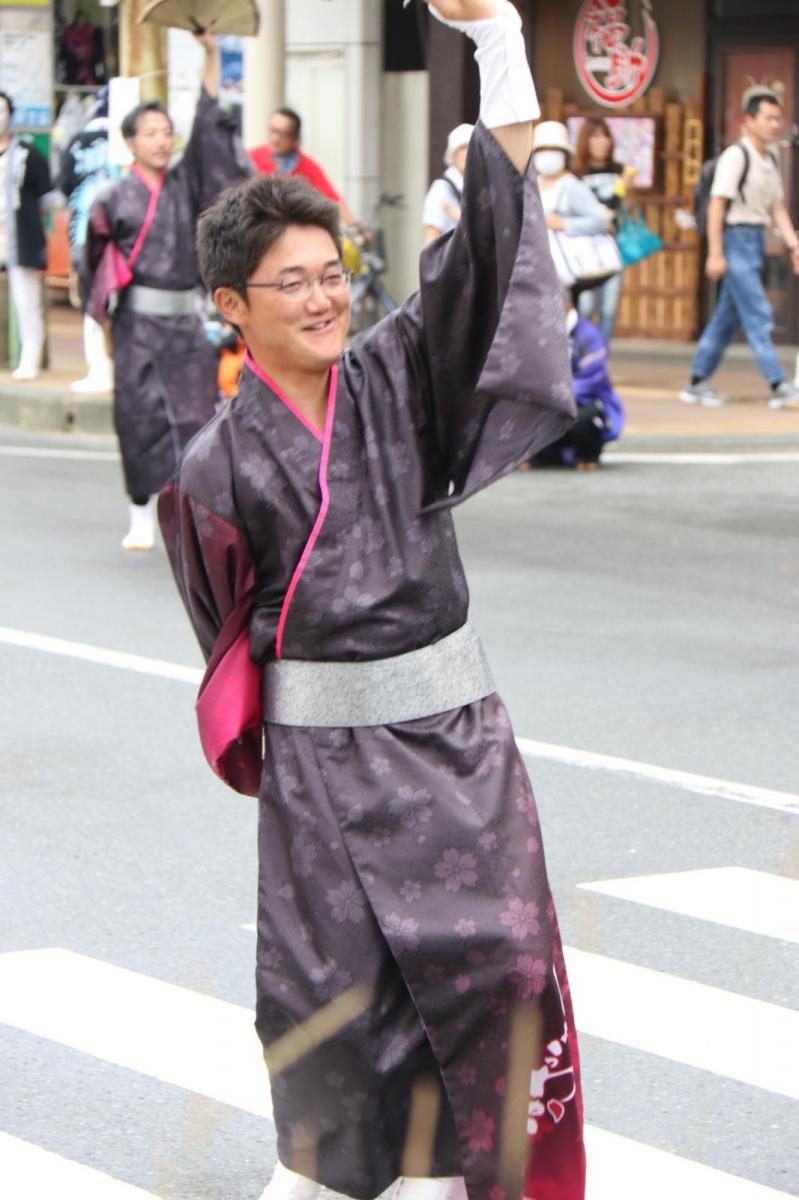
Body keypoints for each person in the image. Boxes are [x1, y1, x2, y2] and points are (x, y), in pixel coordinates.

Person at [160, 3, 586, 1199]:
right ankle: (323, 1177)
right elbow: (230, 635)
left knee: (496, 966)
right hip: (322, 770)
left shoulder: (399, 377)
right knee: (330, 990)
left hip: (456, 742)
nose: (322, 298)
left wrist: (497, 38)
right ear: (233, 309)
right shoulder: (212, 473)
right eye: (287, 283)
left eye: (332, 273)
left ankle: (465, 1177)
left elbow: (495, 237)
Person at [81, 28, 252, 551]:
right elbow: (96, 269)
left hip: (184, 322)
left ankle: (191, 515)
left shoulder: (187, 183)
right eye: (149, 132)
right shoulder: (113, 199)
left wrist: (209, 56)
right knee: (138, 415)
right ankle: (139, 512)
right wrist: (101, 336)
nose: (160, 139)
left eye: (165, 131)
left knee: (196, 417)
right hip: (137, 324)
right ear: (130, 141)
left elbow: (207, 127)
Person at [679, 89, 799, 410]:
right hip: (736, 238)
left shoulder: (769, 160)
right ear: (749, 121)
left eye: (778, 118)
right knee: (758, 311)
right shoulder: (736, 156)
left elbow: (777, 207)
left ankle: (696, 381)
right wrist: (715, 252)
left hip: (755, 240)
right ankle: (778, 382)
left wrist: (793, 243)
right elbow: (717, 205)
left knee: (727, 318)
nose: (776, 125)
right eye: (769, 118)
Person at [59, 86, 118, 394]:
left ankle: (99, 370)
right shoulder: (127, 140)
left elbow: (65, 185)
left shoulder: (77, 142)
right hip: (125, 239)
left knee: (93, 301)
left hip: (84, 235)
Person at [532, 288, 624, 470]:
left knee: (583, 418)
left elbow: (593, 377)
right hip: (549, 398)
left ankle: (587, 455)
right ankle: (545, 455)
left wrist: (557, 392)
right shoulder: (539, 331)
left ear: (568, 307)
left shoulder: (589, 335)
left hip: (584, 400)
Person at [0, 91, 53, 381]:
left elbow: (46, 196)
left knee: (26, 298)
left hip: (20, 235)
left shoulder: (27, 153)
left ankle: (30, 357)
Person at [572, 116, 631, 343]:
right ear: (585, 140)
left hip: (612, 244)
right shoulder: (576, 174)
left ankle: (600, 357)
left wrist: (628, 190)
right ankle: (581, 352)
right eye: (595, 136)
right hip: (584, 246)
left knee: (609, 308)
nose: (602, 141)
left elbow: (626, 210)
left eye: (605, 135)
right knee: (585, 305)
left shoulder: (620, 171)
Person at [251, 107, 358, 228]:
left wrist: (355, 226)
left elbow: (332, 198)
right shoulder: (251, 159)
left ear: (295, 137)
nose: (275, 138)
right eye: (272, 131)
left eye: (282, 133)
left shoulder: (308, 166)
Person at [532, 119, 610, 253]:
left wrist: (564, 224)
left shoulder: (571, 186)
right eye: (542, 150)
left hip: (568, 264)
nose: (548, 155)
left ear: (565, 155)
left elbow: (600, 221)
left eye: (554, 150)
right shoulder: (533, 184)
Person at [422, 122, 474, 244]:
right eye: (462, 148)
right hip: (452, 260)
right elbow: (431, 235)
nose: (467, 153)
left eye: (470, 147)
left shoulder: (482, 187)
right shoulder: (441, 189)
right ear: (453, 155)